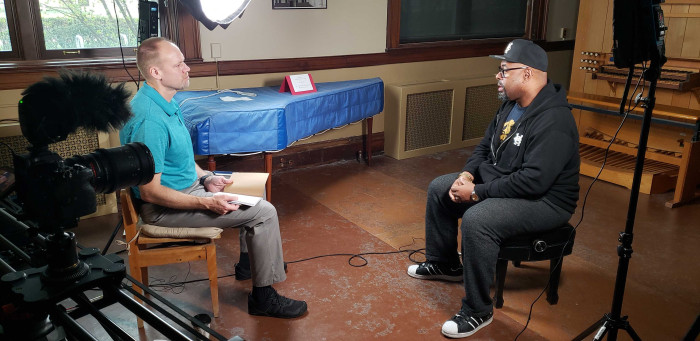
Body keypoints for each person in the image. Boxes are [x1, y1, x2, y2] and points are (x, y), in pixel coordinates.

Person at [120, 37, 307, 319]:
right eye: (179, 64)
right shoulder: (150, 121)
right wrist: (208, 203)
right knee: (264, 212)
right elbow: (151, 193)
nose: (187, 69)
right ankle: (263, 298)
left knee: (256, 188)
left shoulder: (164, 101)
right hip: (164, 207)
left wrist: (207, 178)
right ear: (156, 72)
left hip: (189, 187)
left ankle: (249, 264)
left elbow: (179, 157)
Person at [406, 39, 579, 338]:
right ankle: (444, 264)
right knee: (439, 188)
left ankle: (478, 310)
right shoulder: (511, 106)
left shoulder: (555, 120)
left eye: (503, 71)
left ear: (526, 73)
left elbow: (533, 181)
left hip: (545, 201)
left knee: (478, 219)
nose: (497, 77)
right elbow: (485, 145)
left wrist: (476, 193)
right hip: (505, 180)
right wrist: (467, 174)